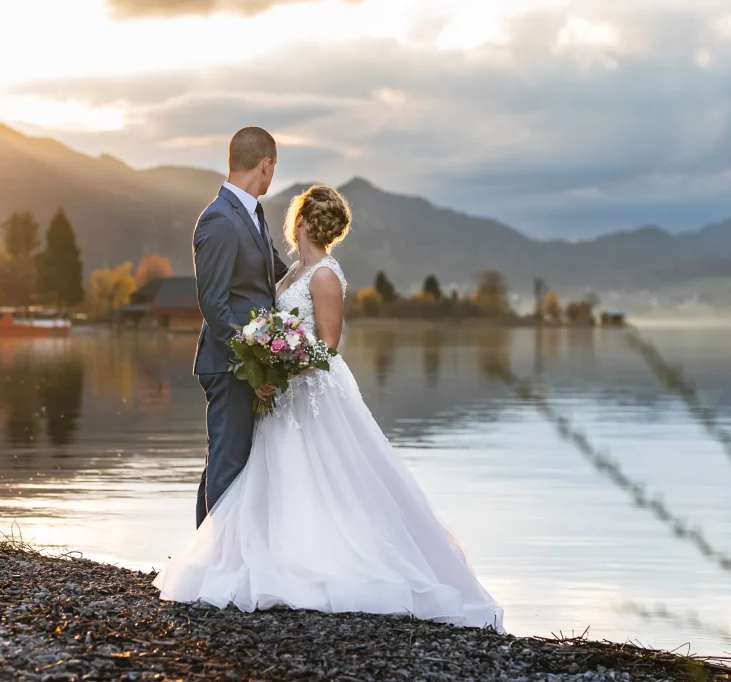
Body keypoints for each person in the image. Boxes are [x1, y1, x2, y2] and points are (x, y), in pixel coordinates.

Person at [157, 184, 504, 630]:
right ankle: (259, 555)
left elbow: (326, 348)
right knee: (274, 474)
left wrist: (279, 372)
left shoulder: (324, 275)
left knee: (324, 476)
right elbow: (275, 319)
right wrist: (265, 367)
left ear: (300, 220)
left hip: (311, 393)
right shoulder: (292, 274)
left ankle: (315, 562)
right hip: (280, 394)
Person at [192, 126, 288, 528]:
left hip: (247, 360)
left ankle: (201, 558)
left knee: (224, 460)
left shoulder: (253, 215)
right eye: (273, 168)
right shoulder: (219, 219)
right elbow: (213, 304)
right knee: (228, 463)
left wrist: (322, 271)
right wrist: (253, 364)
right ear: (265, 165)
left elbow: (276, 278)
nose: (272, 175)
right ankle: (214, 566)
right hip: (230, 363)